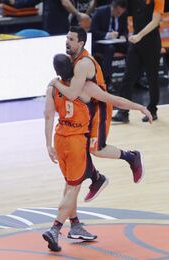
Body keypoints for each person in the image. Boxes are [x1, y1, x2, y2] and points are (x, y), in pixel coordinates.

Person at [42, 53, 152, 252]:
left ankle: (75, 224)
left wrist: (48, 145)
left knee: (69, 185)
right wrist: (139, 107)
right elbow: (115, 100)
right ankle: (55, 229)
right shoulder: (84, 87)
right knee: (73, 188)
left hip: (59, 139)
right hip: (76, 141)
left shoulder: (52, 87)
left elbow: (48, 116)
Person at [50, 26, 144, 202]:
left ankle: (131, 157)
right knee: (79, 146)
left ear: (81, 43)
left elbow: (72, 94)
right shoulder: (72, 58)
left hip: (98, 107)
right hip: (84, 107)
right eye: (67, 38)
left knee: (96, 149)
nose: (67, 42)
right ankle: (96, 179)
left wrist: (54, 83)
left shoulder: (83, 64)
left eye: (71, 39)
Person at [112, 0, 164, 123]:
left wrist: (139, 35)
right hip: (135, 42)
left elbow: (155, 21)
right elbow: (122, 7)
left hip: (151, 42)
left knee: (152, 77)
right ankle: (123, 112)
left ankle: (152, 110)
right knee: (128, 76)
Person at [90, 0, 128, 86]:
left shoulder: (123, 14)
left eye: (121, 13)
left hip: (116, 41)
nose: (119, 15)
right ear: (113, 7)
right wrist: (107, 35)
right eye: (118, 12)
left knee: (133, 47)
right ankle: (107, 81)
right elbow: (93, 31)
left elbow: (125, 30)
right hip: (100, 43)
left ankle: (134, 79)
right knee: (109, 49)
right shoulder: (100, 12)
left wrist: (123, 36)